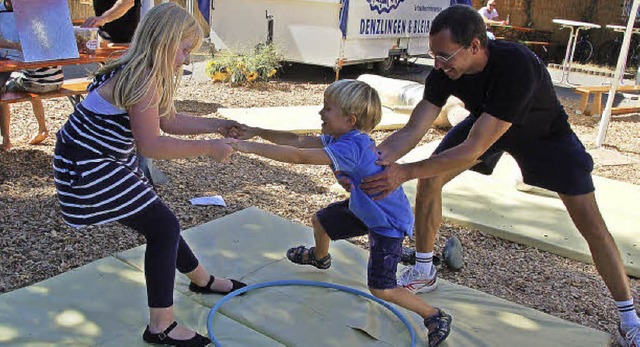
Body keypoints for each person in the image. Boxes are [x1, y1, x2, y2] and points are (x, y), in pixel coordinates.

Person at [358, 5, 640, 346]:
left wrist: (403, 172)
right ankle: (424, 268)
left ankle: (628, 317)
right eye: (433, 55)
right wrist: (372, 161)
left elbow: (473, 148)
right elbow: (414, 127)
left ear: (475, 46)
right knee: (431, 179)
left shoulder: (516, 65)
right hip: (486, 122)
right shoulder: (444, 70)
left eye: (444, 56)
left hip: (544, 135)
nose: (437, 65)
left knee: (591, 226)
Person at [53, 3, 246, 346]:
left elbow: (168, 120)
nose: (187, 60)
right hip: (88, 167)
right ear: (162, 40)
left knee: (161, 221)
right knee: (163, 227)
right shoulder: (141, 78)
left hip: (100, 160)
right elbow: (152, 144)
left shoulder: (142, 69)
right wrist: (209, 148)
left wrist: (217, 125)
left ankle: (201, 280)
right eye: (184, 49)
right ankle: (161, 326)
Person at [230, 79, 452, 347]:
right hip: (365, 206)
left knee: (382, 288)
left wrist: (246, 147)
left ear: (349, 119)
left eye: (327, 108)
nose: (321, 113)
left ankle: (434, 315)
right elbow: (297, 139)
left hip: (386, 223)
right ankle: (319, 258)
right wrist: (256, 131)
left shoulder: (351, 147)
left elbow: (299, 155)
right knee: (320, 221)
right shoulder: (342, 136)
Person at [0, 0, 60, 151]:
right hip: (6, 59)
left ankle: (42, 129)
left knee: (31, 83)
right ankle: (6, 137)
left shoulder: (30, 10)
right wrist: (16, 46)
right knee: (4, 90)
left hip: (28, 62)